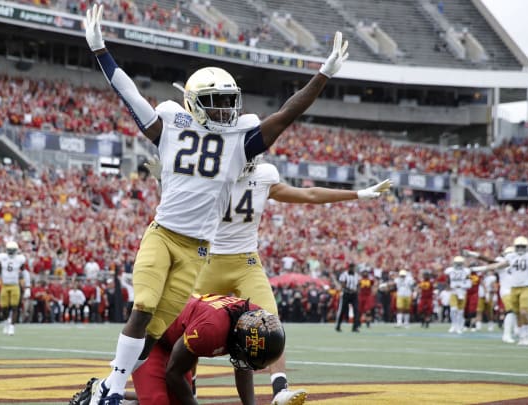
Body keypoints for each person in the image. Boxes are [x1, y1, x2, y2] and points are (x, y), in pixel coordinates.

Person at [77, 4, 349, 405]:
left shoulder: (239, 140)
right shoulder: (171, 123)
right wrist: (101, 51)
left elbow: (286, 113)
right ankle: (113, 391)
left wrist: (322, 76)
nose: (225, 109)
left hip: (198, 250)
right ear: (194, 102)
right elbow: (131, 96)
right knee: (145, 305)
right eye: (215, 101)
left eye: (228, 100)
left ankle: (107, 387)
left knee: (157, 332)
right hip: (164, 233)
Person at [145, 159, 391, 403]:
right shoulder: (211, 172)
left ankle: (280, 389)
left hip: (246, 262)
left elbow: (310, 194)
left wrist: (358, 194)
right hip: (209, 261)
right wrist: (163, 180)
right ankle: (191, 388)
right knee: (190, 328)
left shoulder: (262, 176)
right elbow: (181, 202)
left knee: (270, 322)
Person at [70, 294, 285, 405]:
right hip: (154, 338)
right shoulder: (212, 330)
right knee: (158, 403)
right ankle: (103, 391)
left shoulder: (252, 321)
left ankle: (119, 394)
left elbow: (243, 364)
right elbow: (173, 373)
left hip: (180, 339)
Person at [468, 236, 528, 345]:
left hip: (523, 287)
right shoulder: (509, 259)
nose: (520, 250)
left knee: (520, 312)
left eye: (522, 247)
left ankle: (520, 334)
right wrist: (477, 267)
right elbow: (493, 263)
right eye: (518, 247)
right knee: (515, 312)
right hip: (510, 289)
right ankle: (516, 333)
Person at [0, 241, 29, 335]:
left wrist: (27, 287)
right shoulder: (2, 258)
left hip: (15, 285)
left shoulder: (20, 259)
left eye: (12, 250)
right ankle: (7, 322)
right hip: (5, 285)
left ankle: (12, 326)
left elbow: (24, 272)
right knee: (4, 307)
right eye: (9, 250)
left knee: (15, 306)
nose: (10, 252)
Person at [444, 256, 471, 334]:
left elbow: (469, 284)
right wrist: (450, 286)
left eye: (460, 264)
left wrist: (461, 286)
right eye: (457, 263)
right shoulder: (450, 271)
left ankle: (459, 326)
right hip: (453, 292)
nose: (458, 265)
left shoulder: (466, 271)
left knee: (460, 311)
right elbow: (447, 280)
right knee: (453, 309)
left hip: (462, 292)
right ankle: (453, 325)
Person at [335, 263, 361, 333]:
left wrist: (357, 290)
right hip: (346, 294)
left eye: (353, 267)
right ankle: (338, 325)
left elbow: (358, 284)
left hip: (354, 295)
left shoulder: (356, 275)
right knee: (342, 310)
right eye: (351, 267)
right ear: (348, 268)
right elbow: (342, 284)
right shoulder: (344, 275)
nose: (352, 269)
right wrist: (350, 289)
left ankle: (355, 327)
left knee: (356, 310)